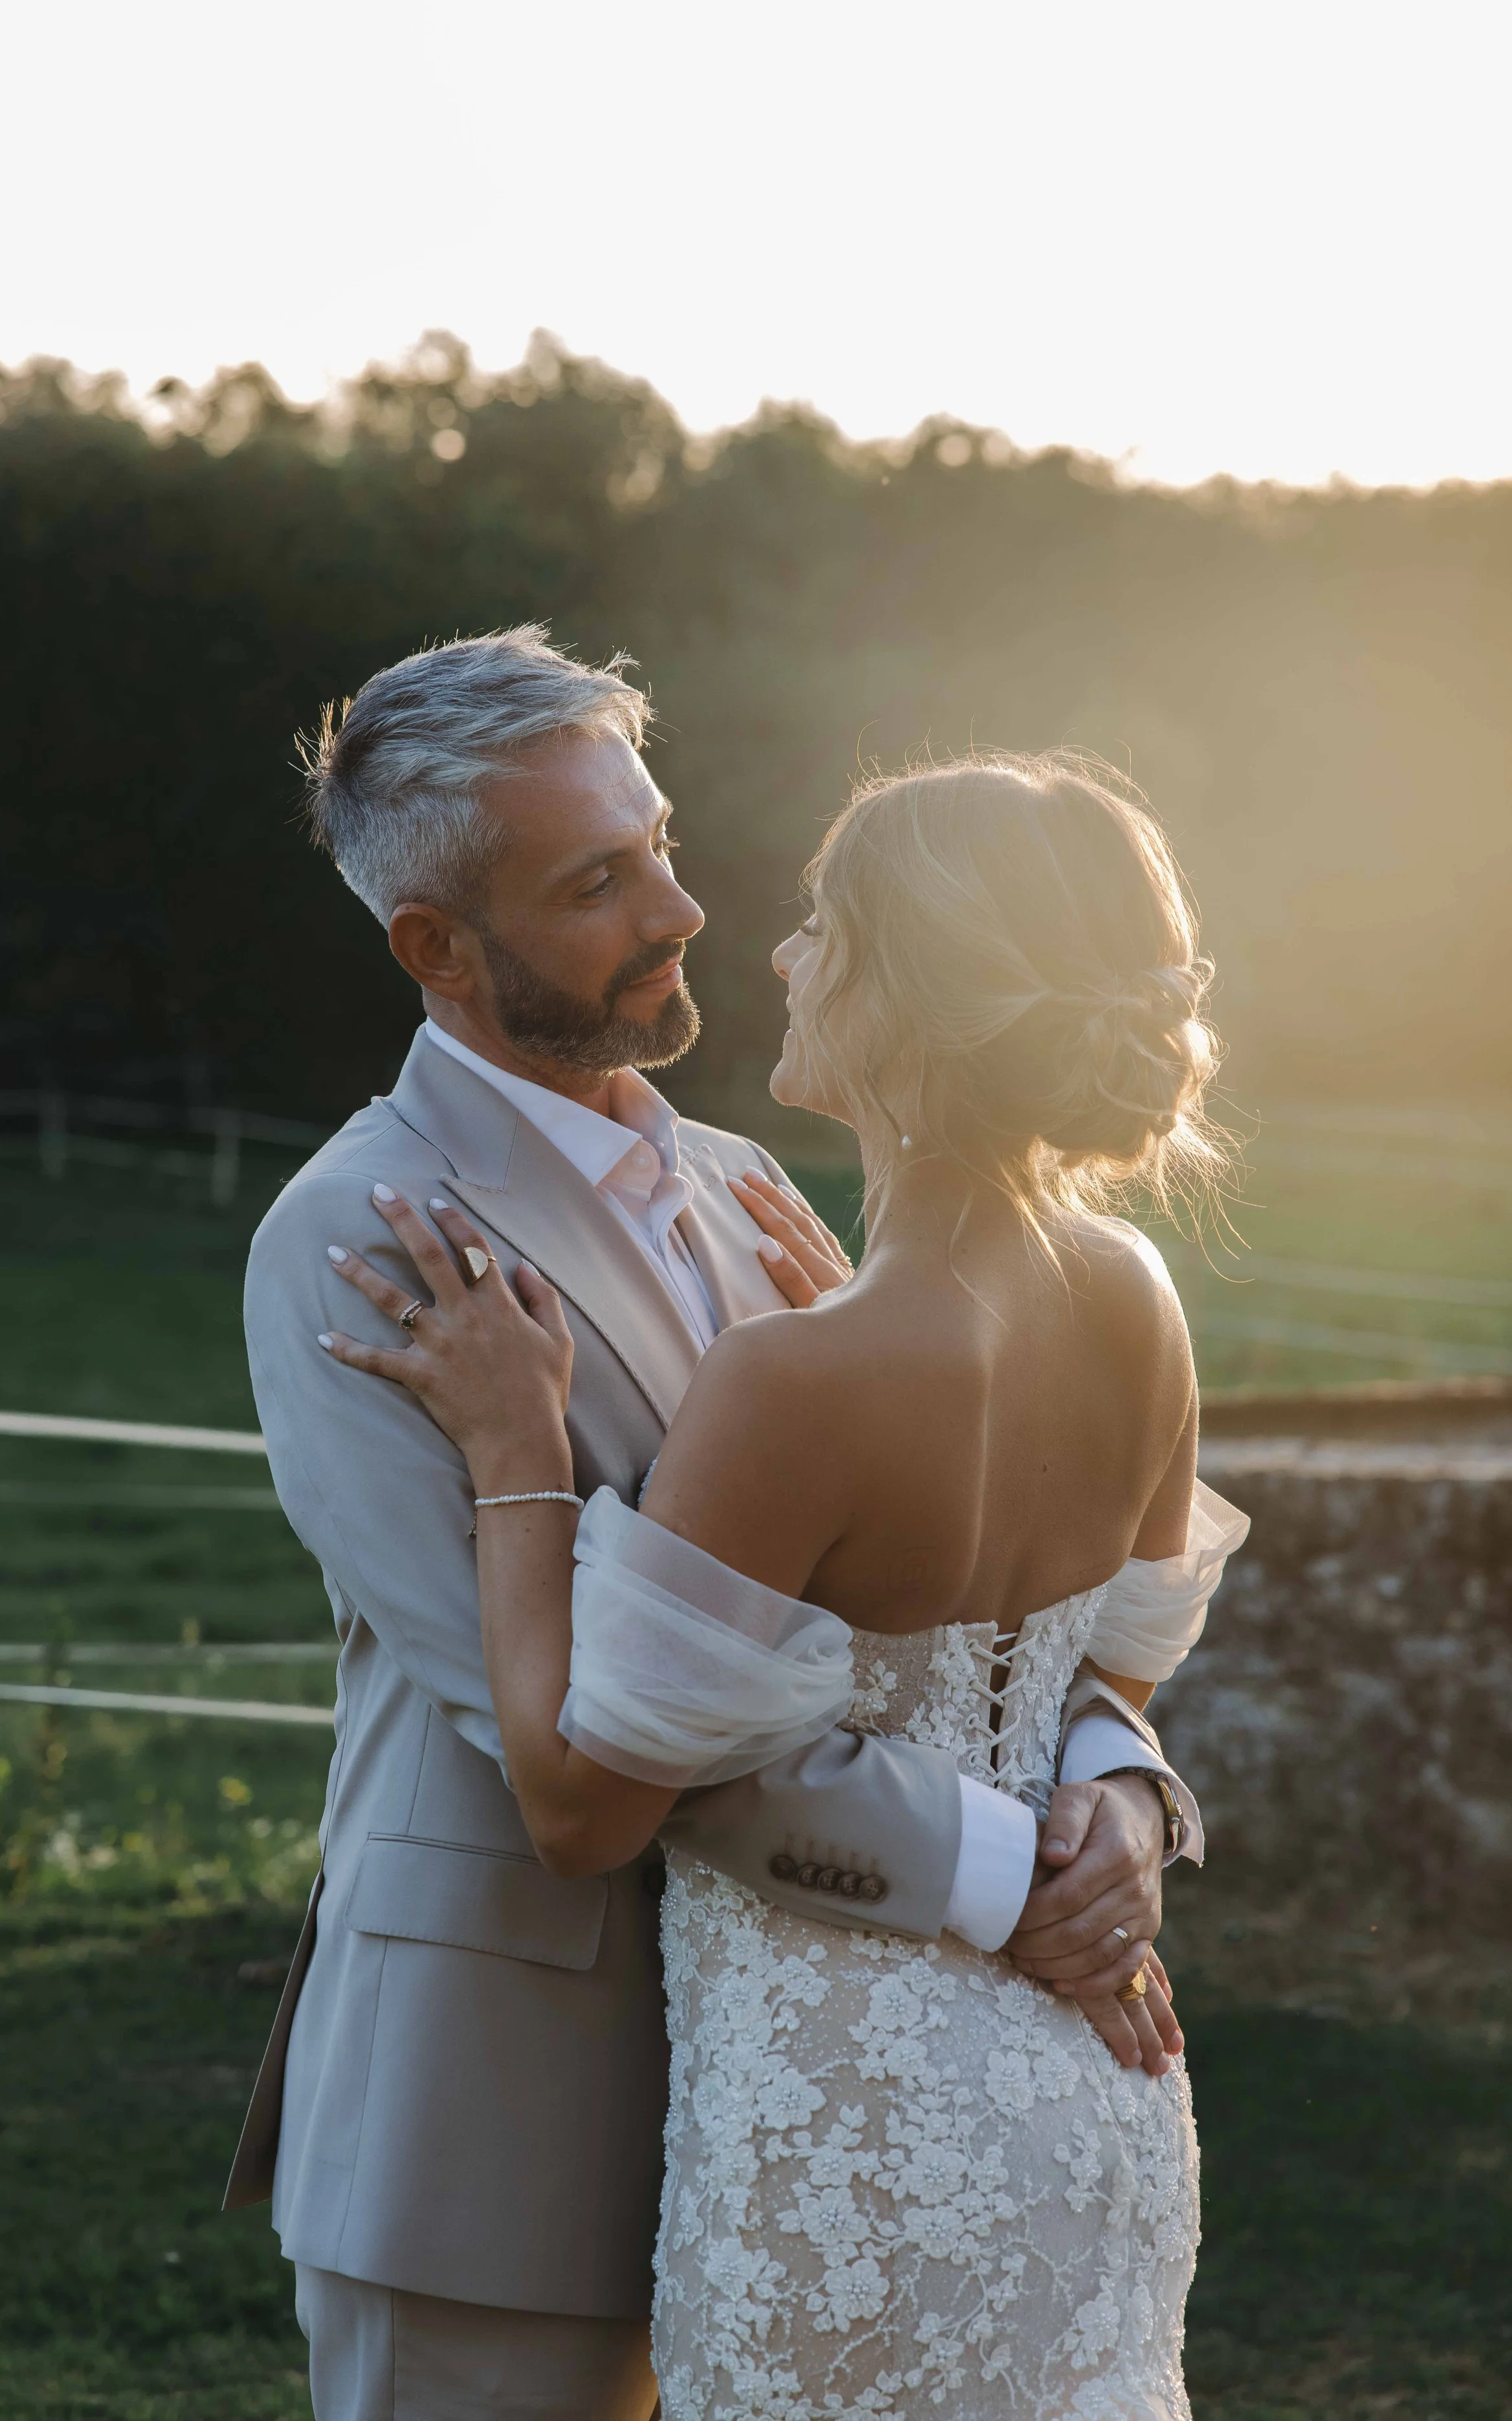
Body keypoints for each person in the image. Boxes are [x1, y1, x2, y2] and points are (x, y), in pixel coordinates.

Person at [225, 627, 1210, 2421]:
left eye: (663, 842)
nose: (683, 909)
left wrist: (1117, 1787)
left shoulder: (744, 1184)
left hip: (811, 2087)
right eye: (600, 880)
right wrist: (1024, 1870)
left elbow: (936, 1601)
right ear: (436, 946)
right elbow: (604, 1756)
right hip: (504, 2109)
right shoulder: (358, 1240)